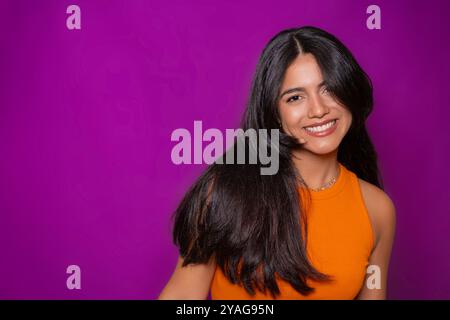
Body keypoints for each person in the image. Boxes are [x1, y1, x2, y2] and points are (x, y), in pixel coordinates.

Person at [158, 26, 396, 300]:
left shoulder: (377, 210)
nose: (318, 110)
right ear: (274, 112)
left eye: (329, 89)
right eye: (295, 97)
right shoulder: (223, 191)